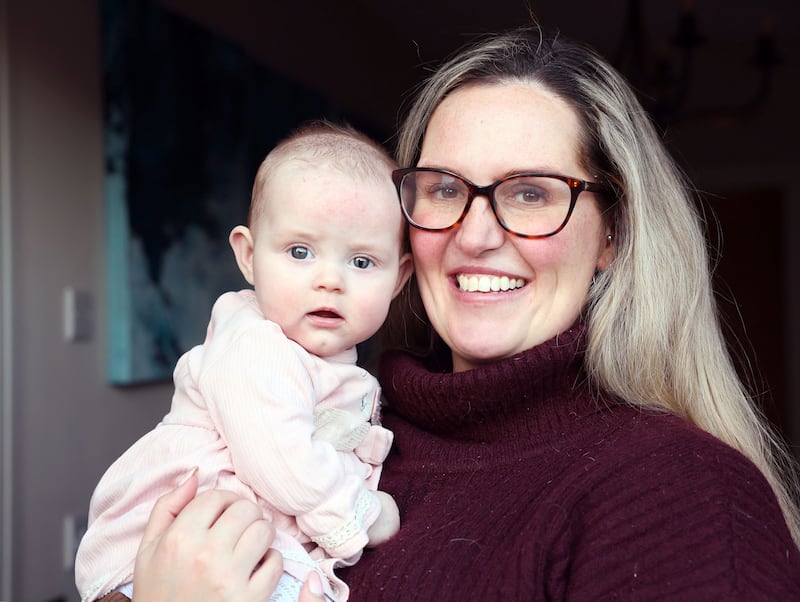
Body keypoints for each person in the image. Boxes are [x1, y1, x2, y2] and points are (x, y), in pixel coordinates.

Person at [102, 24, 800, 601]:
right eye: (444, 189)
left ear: (611, 234)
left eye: (531, 192)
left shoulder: (683, 497)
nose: (476, 235)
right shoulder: (353, 427)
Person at [77, 121, 413, 602]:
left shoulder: (337, 368)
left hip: (240, 545)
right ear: (249, 256)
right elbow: (282, 457)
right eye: (300, 251)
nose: (329, 280)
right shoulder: (253, 343)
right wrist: (363, 514)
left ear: (398, 278)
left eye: (361, 261)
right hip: (176, 545)